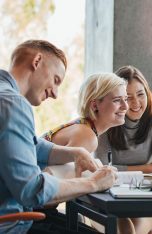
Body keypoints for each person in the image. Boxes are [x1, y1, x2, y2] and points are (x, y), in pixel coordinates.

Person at [0, 40, 117, 234]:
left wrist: (75, 153)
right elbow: (32, 191)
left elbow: (30, 145)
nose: (55, 94)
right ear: (37, 61)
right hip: (11, 224)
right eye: (56, 80)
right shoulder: (13, 104)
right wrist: (93, 183)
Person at [95, 65, 152, 234]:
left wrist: (124, 171)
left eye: (141, 94)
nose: (136, 103)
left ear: (147, 93)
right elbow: (101, 171)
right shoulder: (106, 122)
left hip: (141, 198)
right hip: (110, 198)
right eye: (128, 98)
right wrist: (146, 168)